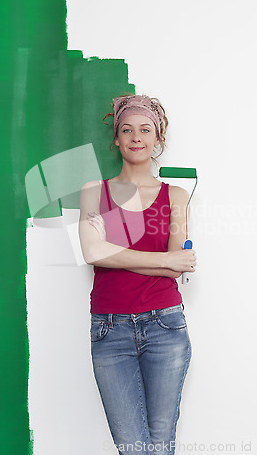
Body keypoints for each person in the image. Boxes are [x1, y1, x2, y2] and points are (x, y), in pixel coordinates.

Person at [78, 94, 197, 455]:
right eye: (127, 129)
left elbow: (182, 261)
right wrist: (164, 261)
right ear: (116, 138)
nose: (136, 137)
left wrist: (112, 253)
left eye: (146, 129)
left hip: (166, 328)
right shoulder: (94, 192)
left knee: (160, 447)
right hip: (109, 331)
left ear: (158, 139)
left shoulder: (176, 195)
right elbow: (90, 252)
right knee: (133, 448)